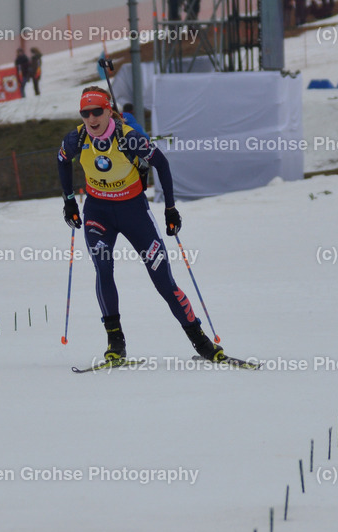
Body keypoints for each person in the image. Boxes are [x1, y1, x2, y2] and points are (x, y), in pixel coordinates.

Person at [56, 87, 224, 362]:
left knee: (163, 280)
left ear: (108, 110)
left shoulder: (129, 138)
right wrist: (70, 201)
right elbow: (62, 161)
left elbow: (162, 164)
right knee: (103, 268)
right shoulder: (76, 138)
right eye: (85, 113)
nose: (92, 118)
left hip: (133, 211)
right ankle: (115, 343)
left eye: (97, 111)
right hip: (98, 213)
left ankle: (201, 341)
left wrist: (170, 209)